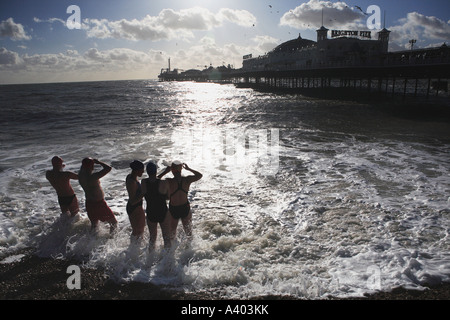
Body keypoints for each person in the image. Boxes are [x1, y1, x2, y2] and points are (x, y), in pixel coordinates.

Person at [78, 158, 117, 233]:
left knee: (94, 225)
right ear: (91, 166)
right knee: (113, 222)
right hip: (99, 204)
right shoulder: (93, 177)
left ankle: (90, 241)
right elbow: (108, 168)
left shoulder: (80, 176)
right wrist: (99, 162)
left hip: (89, 203)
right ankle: (111, 240)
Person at [166, 161, 202, 242]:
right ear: (181, 169)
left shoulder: (169, 181)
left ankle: (171, 252)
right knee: (189, 233)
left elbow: (156, 181)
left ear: (172, 170)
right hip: (185, 207)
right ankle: (190, 251)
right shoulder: (187, 180)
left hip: (173, 209)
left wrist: (165, 172)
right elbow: (199, 175)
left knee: (172, 233)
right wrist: (189, 169)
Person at [141, 161, 171, 251]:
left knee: (152, 238)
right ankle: (167, 259)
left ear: (147, 172)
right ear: (156, 170)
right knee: (166, 237)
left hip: (150, 211)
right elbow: (168, 197)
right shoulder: (164, 183)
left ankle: (150, 259)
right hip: (163, 211)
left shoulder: (144, 182)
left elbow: (146, 190)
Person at [125, 160, 146, 242]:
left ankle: (134, 248)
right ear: (137, 170)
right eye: (142, 170)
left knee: (137, 231)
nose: (143, 171)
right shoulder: (132, 182)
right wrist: (144, 192)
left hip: (133, 207)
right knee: (138, 231)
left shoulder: (130, 177)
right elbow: (133, 200)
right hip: (134, 207)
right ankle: (134, 249)